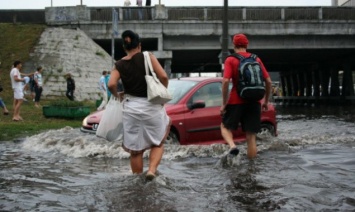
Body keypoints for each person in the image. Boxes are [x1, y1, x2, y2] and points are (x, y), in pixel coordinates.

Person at [108, 30, 171, 180]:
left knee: (135, 150)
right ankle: (151, 171)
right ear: (140, 45)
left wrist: (118, 95)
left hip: (131, 108)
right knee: (157, 142)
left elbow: (111, 84)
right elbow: (163, 76)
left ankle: (137, 180)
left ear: (124, 47)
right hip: (152, 106)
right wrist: (162, 92)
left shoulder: (119, 64)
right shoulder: (148, 56)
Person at [220, 33, 272, 159]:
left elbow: (226, 81)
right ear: (246, 44)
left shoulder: (231, 60)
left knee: (225, 127)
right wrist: (265, 101)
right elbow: (269, 81)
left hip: (236, 101)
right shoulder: (256, 59)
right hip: (254, 102)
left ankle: (232, 146)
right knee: (251, 137)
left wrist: (224, 103)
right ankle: (251, 168)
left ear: (234, 45)